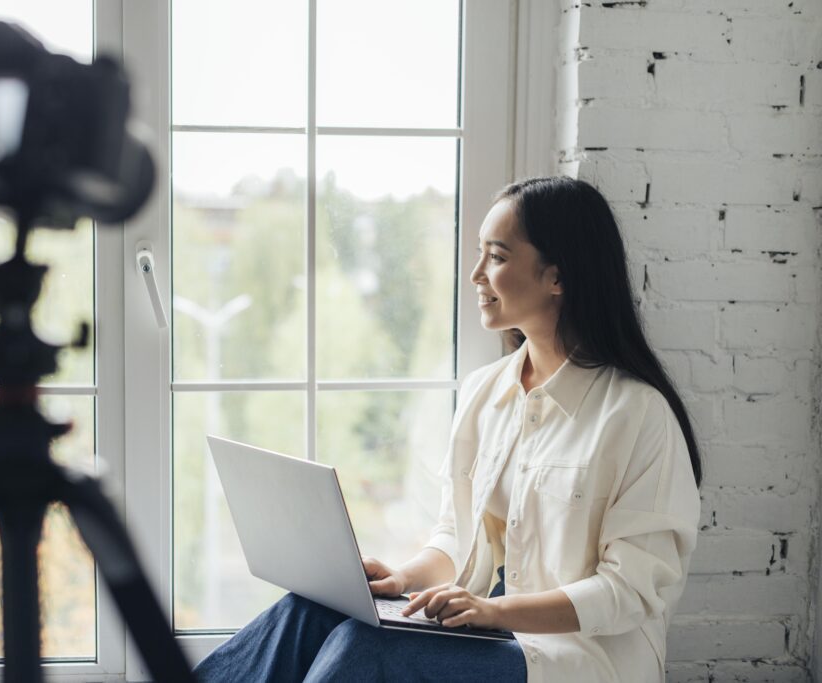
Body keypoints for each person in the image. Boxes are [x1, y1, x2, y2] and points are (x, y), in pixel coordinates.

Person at [194, 176, 702, 683]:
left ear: (556, 276)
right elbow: (456, 536)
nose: (477, 273)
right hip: (485, 632)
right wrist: (403, 579)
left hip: (573, 661)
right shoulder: (484, 392)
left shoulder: (637, 414)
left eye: (498, 257)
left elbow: (632, 590)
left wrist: (495, 611)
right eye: (480, 254)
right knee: (309, 611)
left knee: (368, 649)